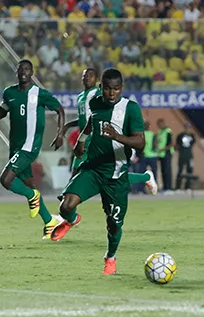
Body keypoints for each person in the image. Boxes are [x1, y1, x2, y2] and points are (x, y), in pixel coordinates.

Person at [50, 68, 146, 275]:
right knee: (65, 206)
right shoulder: (94, 103)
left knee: (114, 224)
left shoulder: (131, 109)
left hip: (116, 175)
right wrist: (80, 142)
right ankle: (72, 220)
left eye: (116, 89)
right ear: (100, 88)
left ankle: (110, 257)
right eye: (108, 89)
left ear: (122, 89)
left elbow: (140, 143)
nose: (112, 93)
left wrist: (117, 137)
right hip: (93, 168)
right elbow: (90, 124)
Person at [0, 59, 65, 239]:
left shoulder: (39, 93)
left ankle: (32, 196)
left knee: (6, 179)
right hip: (15, 146)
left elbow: (60, 109)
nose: (23, 72)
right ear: (16, 72)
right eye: (20, 69)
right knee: (28, 183)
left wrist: (60, 134)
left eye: (27, 69)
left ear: (32, 72)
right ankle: (49, 221)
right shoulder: (9, 93)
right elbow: (0, 113)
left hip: (29, 146)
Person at [61, 67, 157, 193]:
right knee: (78, 173)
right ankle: (145, 177)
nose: (87, 78)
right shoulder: (80, 97)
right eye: (85, 75)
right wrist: (69, 126)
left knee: (108, 176)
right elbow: (85, 120)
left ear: (97, 80)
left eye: (90, 75)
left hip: (97, 139)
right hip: (85, 139)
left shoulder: (98, 94)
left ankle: (145, 177)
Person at [175, 121, 197, 190]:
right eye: (186, 127)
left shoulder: (192, 136)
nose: (187, 129)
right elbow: (177, 145)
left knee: (189, 171)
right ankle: (178, 187)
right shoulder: (180, 136)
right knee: (180, 171)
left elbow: (192, 144)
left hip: (189, 156)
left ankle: (187, 186)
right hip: (182, 156)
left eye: (189, 127)